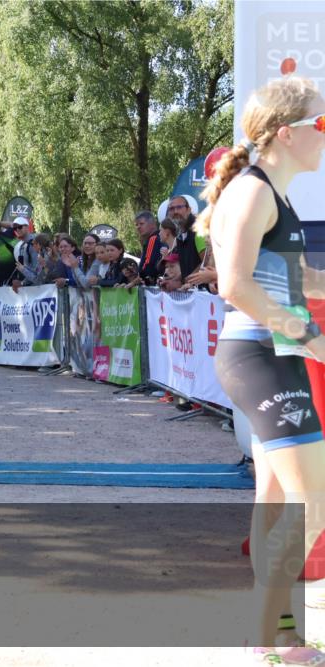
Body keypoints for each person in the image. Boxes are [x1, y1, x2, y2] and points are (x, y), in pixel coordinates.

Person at [200, 75, 325, 665]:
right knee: (312, 503)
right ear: (285, 133)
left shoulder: (268, 192)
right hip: (263, 356)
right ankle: (264, 637)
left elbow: (299, 282)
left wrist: (305, 322)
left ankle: (280, 635)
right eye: (320, 124)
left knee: (276, 503)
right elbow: (235, 285)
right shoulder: (254, 192)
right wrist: (311, 336)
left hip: (270, 357)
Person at [134, 211, 164, 286]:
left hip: (152, 283)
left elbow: (148, 264)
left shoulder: (153, 238)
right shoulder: (158, 238)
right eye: (136, 225)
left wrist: (140, 275)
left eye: (141, 224)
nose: (138, 227)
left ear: (152, 224)